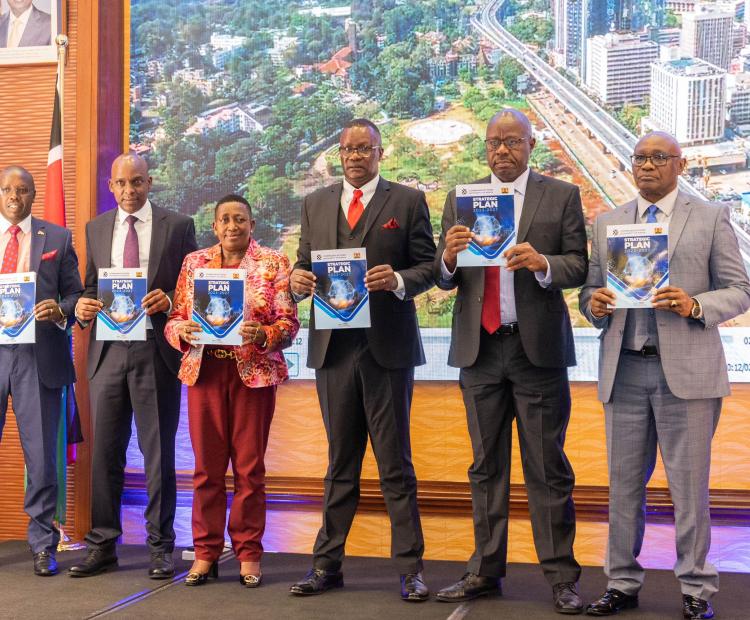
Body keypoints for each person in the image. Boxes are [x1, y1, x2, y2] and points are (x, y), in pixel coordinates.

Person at [579, 132, 750, 620]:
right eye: (640, 158)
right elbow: (590, 293)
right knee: (622, 485)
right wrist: (593, 303)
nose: (646, 165)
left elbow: (740, 290)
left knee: (689, 487)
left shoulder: (711, 216)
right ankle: (621, 582)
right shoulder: (609, 223)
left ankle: (696, 588)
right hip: (625, 369)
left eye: (658, 158)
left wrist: (696, 304)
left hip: (688, 376)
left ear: (680, 164)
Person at [434, 109, 587, 614]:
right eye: (494, 142)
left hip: (535, 350)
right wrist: (451, 258)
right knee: (485, 467)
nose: (502, 150)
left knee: (547, 467)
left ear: (531, 144)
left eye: (512, 141)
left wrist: (544, 264)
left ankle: (562, 578)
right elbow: (443, 276)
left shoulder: (559, 195)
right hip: (480, 351)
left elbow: (579, 265)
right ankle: (485, 570)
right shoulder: (461, 198)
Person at [288, 118, 436, 602]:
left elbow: (429, 266)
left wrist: (396, 280)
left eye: (364, 149)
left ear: (380, 152)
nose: (355, 156)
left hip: (386, 350)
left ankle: (411, 569)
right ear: (339, 153)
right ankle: (326, 565)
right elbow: (303, 263)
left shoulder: (407, 201)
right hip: (333, 350)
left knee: (395, 465)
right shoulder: (315, 202)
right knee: (339, 463)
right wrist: (297, 281)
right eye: (348, 149)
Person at [69, 153, 197, 579]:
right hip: (106, 353)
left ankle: (162, 547)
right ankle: (103, 543)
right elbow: (89, 286)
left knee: (158, 453)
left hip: (154, 350)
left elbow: (194, 286)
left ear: (150, 182)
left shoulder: (177, 226)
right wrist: (85, 307)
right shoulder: (96, 227)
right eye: (122, 184)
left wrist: (171, 301)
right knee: (104, 452)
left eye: (137, 182)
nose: (129, 191)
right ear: (111, 185)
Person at [164, 194, 298, 586]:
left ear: (252, 225)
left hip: (252, 374)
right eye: (225, 219)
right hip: (205, 373)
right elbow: (174, 319)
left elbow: (288, 324)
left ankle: (248, 554)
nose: (232, 226)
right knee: (206, 470)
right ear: (215, 226)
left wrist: (265, 334)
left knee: (249, 470)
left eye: (240, 219)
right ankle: (205, 553)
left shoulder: (273, 263)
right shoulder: (194, 264)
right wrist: (181, 331)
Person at [0, 166, 83, 576]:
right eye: (8, 189)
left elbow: (77, 294)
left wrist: (60, 309)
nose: (15, 196)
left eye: (23, 190)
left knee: (41, 457)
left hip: (38, 355)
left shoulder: (58, 238)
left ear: (34, 195)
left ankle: (42, 544)